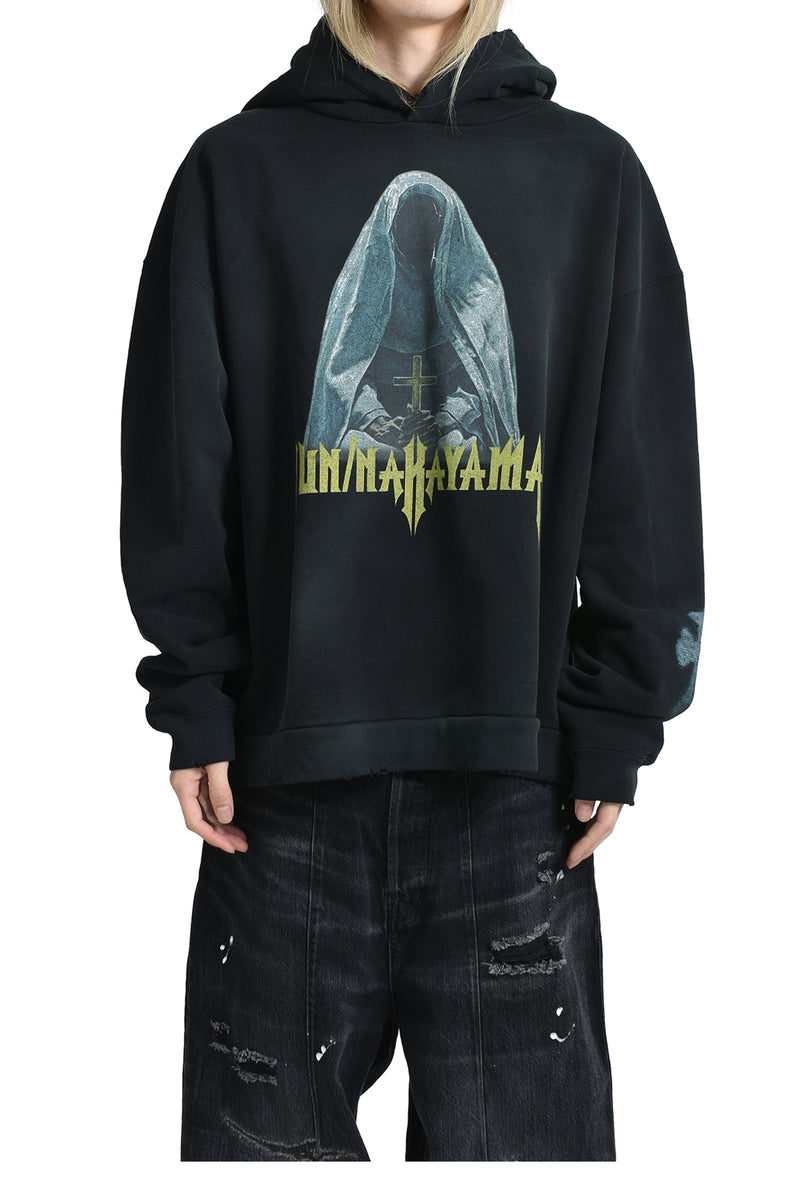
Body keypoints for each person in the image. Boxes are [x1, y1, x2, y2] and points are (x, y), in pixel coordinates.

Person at [119, 0, 704, 1162]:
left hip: (516, 793)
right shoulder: (235, 170)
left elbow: (639, 471)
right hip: (279, 796)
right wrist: (194, 697)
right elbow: (179, 461)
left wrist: (617, 717)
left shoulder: (589, 175)